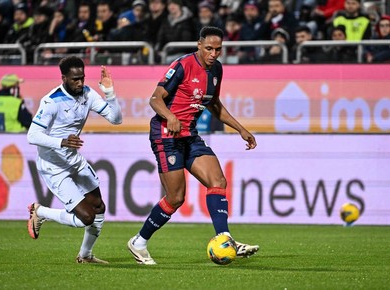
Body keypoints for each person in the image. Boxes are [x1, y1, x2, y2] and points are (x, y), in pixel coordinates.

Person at [127, 26, 259, 265]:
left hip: (189, 136)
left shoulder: (217, 69)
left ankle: (225, 238)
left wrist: (240, 128)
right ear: (199, 45)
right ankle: (139, 241)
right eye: (209, 48)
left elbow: (214, 104)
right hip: (166, 135)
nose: (213, 53)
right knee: (176, 198)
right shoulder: (182, 65)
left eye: (218, 49)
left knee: (218, 181)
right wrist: (170, 116)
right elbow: (155, 99)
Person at [26, 56, 122, 263]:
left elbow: (116, 119)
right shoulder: (51, 101)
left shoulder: (87, 93)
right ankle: (41, 212)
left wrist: (109, 92)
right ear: (63, 78)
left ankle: (85, 255)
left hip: (74, 160)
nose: (79, 83)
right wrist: (61, 142)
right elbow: (32, 136)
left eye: (82, 78)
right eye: (74, 79)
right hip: (54, 167)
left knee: (98, 208)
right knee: (85, 217)